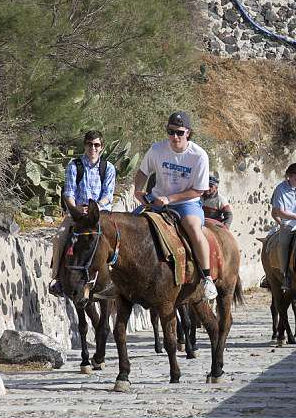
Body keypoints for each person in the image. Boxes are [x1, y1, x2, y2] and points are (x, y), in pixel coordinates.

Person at [134, 111, 217, 301]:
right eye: (170, 132)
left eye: (179, 132)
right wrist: (137, 190)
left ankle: (207, 278)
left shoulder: (199, 155)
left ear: (188, 132)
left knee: (194, 229)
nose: (175, 137)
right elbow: (142, 171)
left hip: (187, 203)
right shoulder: (157, 149)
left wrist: (170, 199)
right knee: (130, 225)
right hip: (156, 201)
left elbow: (199, 190)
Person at [49, 130, 117, 296]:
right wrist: (77, 208)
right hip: (78, 214)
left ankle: (119, 279)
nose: (92, 148)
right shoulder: (74, 165)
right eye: (89, 144)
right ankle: (57, 278)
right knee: (59, 237)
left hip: (100, 214)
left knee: (119, 240)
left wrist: (96, 207)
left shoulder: (108, 168)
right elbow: (69, 192)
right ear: (85, 145)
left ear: (102, 147)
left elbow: (108, 195)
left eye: (96, 145)